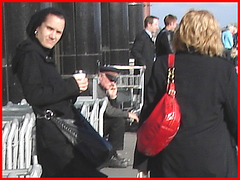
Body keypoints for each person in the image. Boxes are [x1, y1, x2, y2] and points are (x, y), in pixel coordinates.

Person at [134, 9, 237, 177]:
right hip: (215, 158)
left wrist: (142, 163)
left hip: (169, 159)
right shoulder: (224, 69)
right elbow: (235, 117)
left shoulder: (164, 65)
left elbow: (148, 117)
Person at [12, 7, 107, 177]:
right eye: (49, 28)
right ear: (37, 27)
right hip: (54, 134)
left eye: (58, 32)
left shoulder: (42, 54)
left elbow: (52, 94)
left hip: (58, 132)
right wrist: (71, 85)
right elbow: (34, 95)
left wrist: (76, 88)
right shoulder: (30, 54)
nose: (53, 36)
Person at [97, 66, 139, 168]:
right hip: (92, 122)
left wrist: (113, 97)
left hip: (99, 120)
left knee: (118, 119)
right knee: (118, 120)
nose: (112, 83)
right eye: (110, 79)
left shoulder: (105, 89)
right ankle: (110, 157)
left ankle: (113, 153)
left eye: (114, 80)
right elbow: (109, 111)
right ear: (100, 77)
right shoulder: (96, 88)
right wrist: (128, 114)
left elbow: (113, 110)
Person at [131, 16, 159, 88]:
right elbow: (135, 50)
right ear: (149, 24)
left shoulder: (149, 37)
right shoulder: (142, 36)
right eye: (155, 24)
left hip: (149, 71)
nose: (157, 27)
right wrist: (143, 63)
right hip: (144, 72)